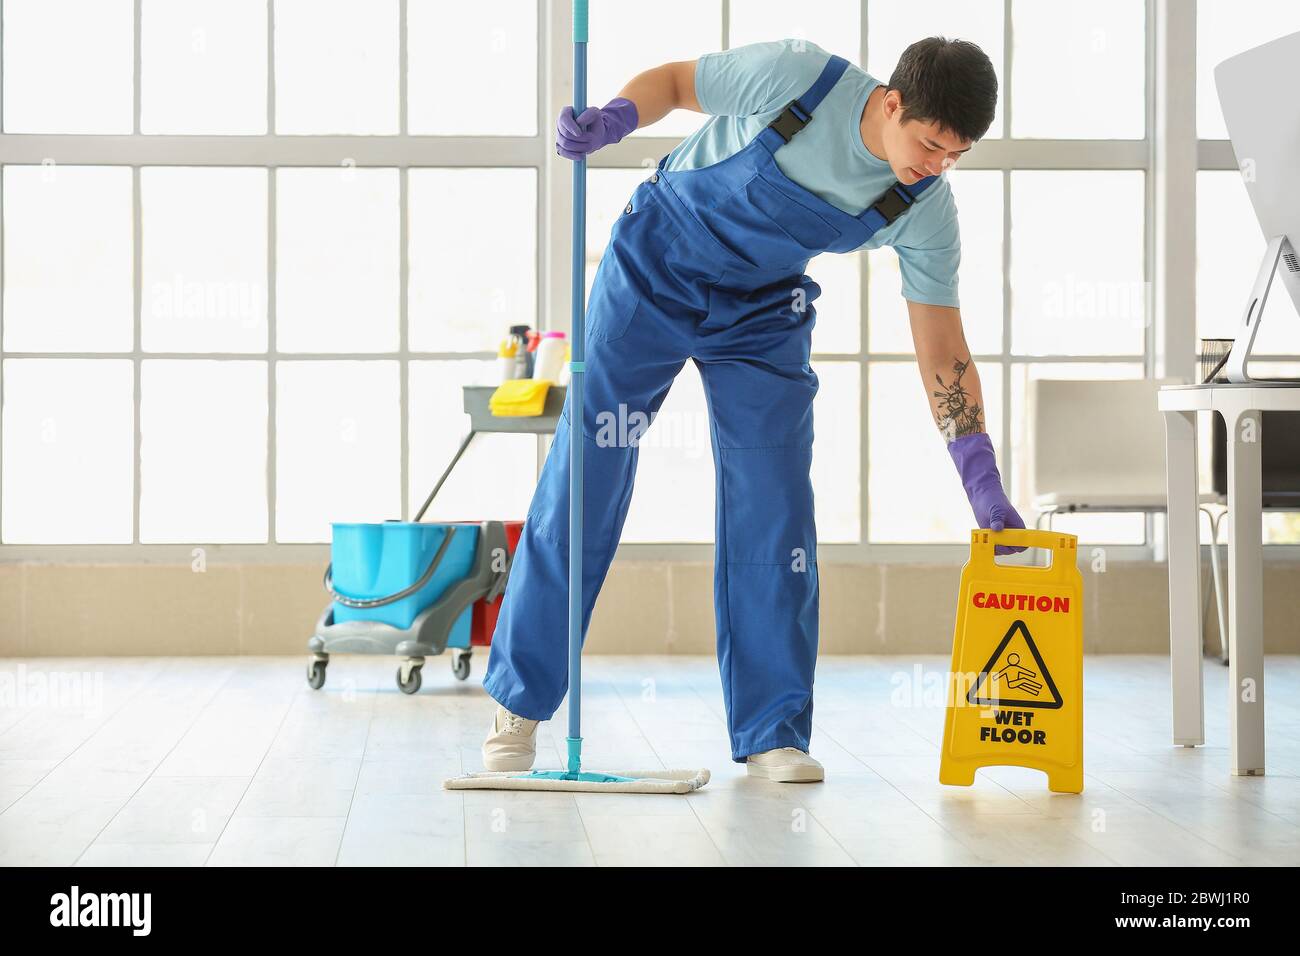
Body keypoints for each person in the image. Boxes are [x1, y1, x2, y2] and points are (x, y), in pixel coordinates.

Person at [481, 36, 1026, 783]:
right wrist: (614, 119)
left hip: (763, 312)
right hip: (653, 269)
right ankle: (518, 708)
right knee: (588, 477)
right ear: (892, 103)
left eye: (953, 157)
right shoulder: (801, 79)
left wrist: (980, 474)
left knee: (775, 508)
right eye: (930, 145)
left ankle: (774, 730)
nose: (935, 167)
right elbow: (674, 81)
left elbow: (943, 347)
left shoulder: (924, 206)